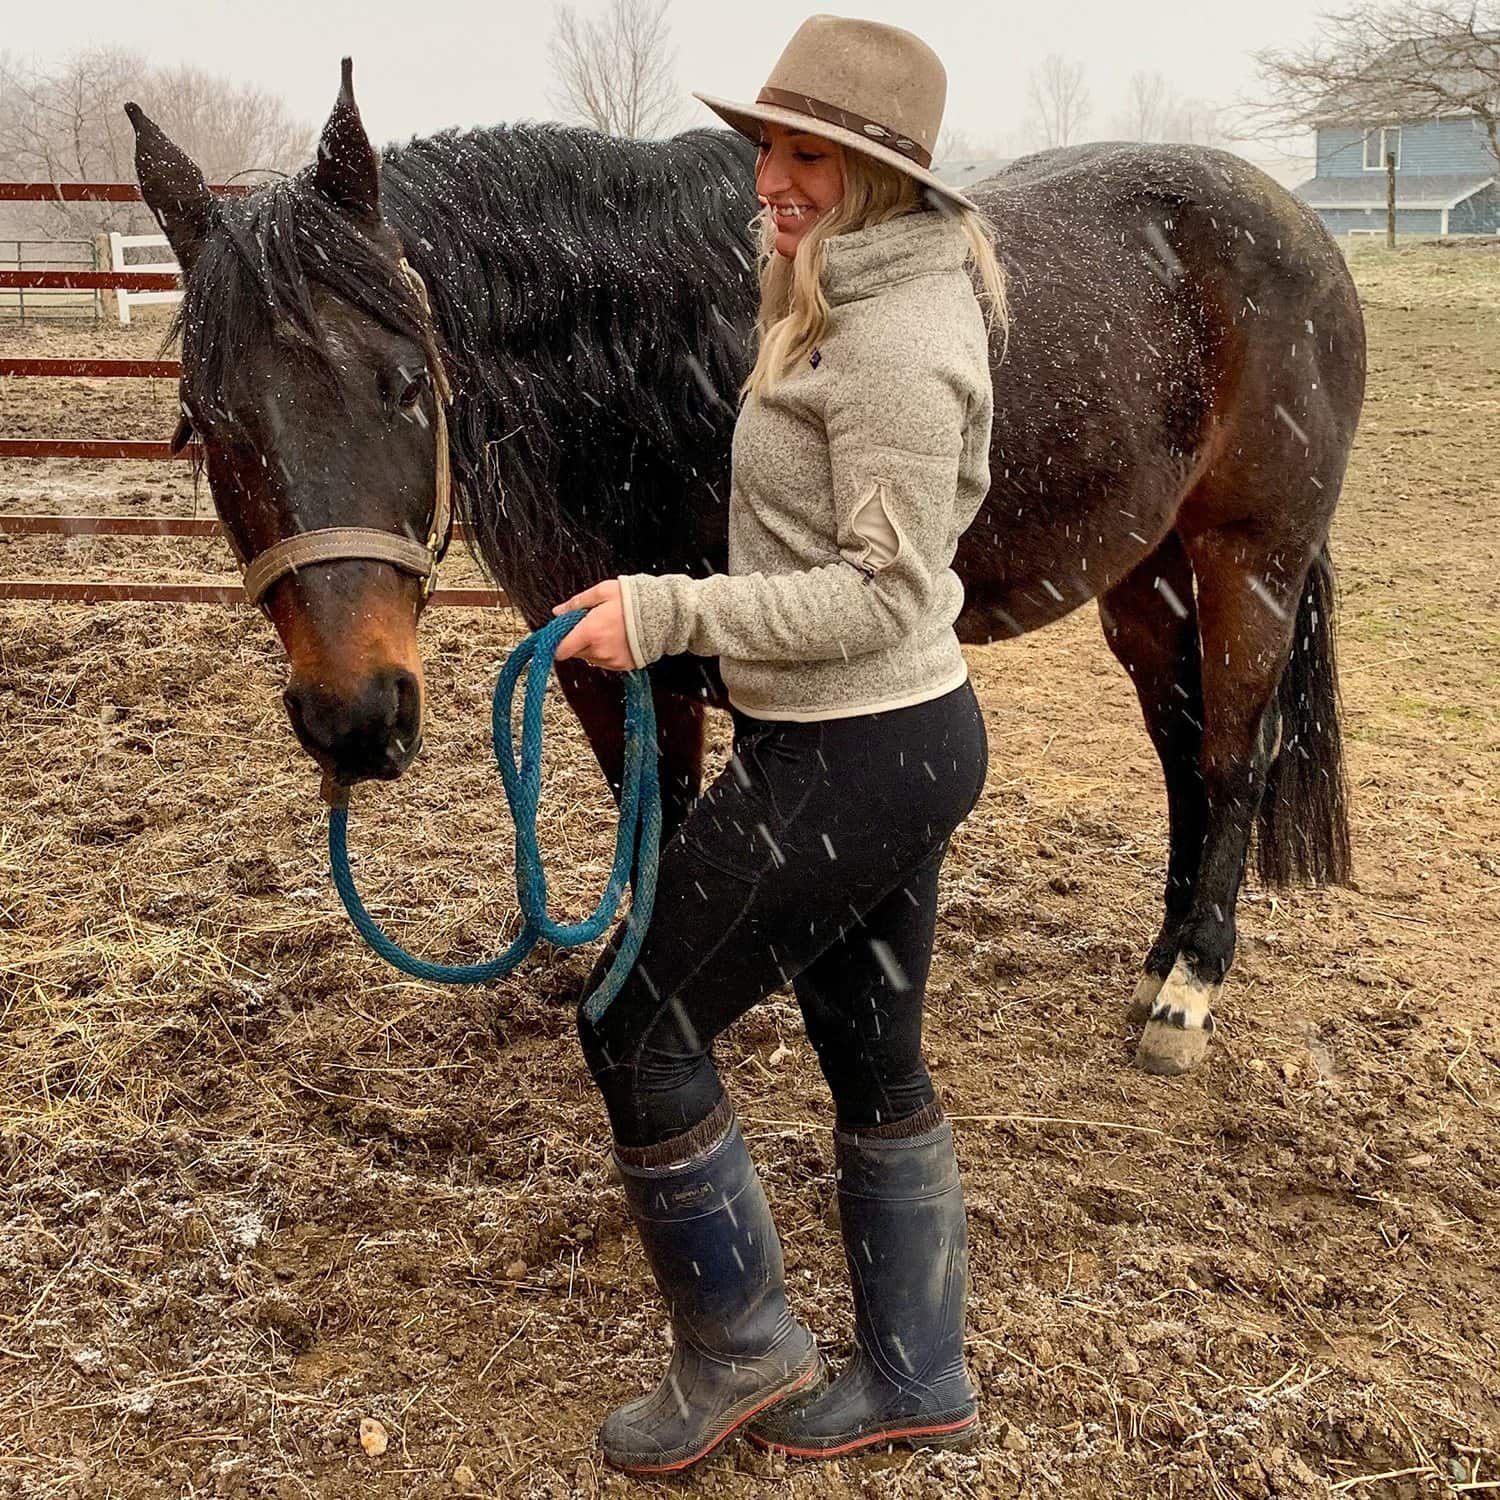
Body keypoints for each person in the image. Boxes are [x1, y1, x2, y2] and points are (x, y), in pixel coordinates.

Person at [551, 13, 1007, 1474]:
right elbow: (926, 534)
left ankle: (744, 1345)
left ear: (880, 177)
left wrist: (675, 611)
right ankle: (916, 1374)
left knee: (634, 1021)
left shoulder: (893, 341)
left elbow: (884, 582)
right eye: (768, 152)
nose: (771, 182)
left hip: (856, 752)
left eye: (807, 157)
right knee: (868, 1051)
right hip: (890, 734)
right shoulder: (840, 299)